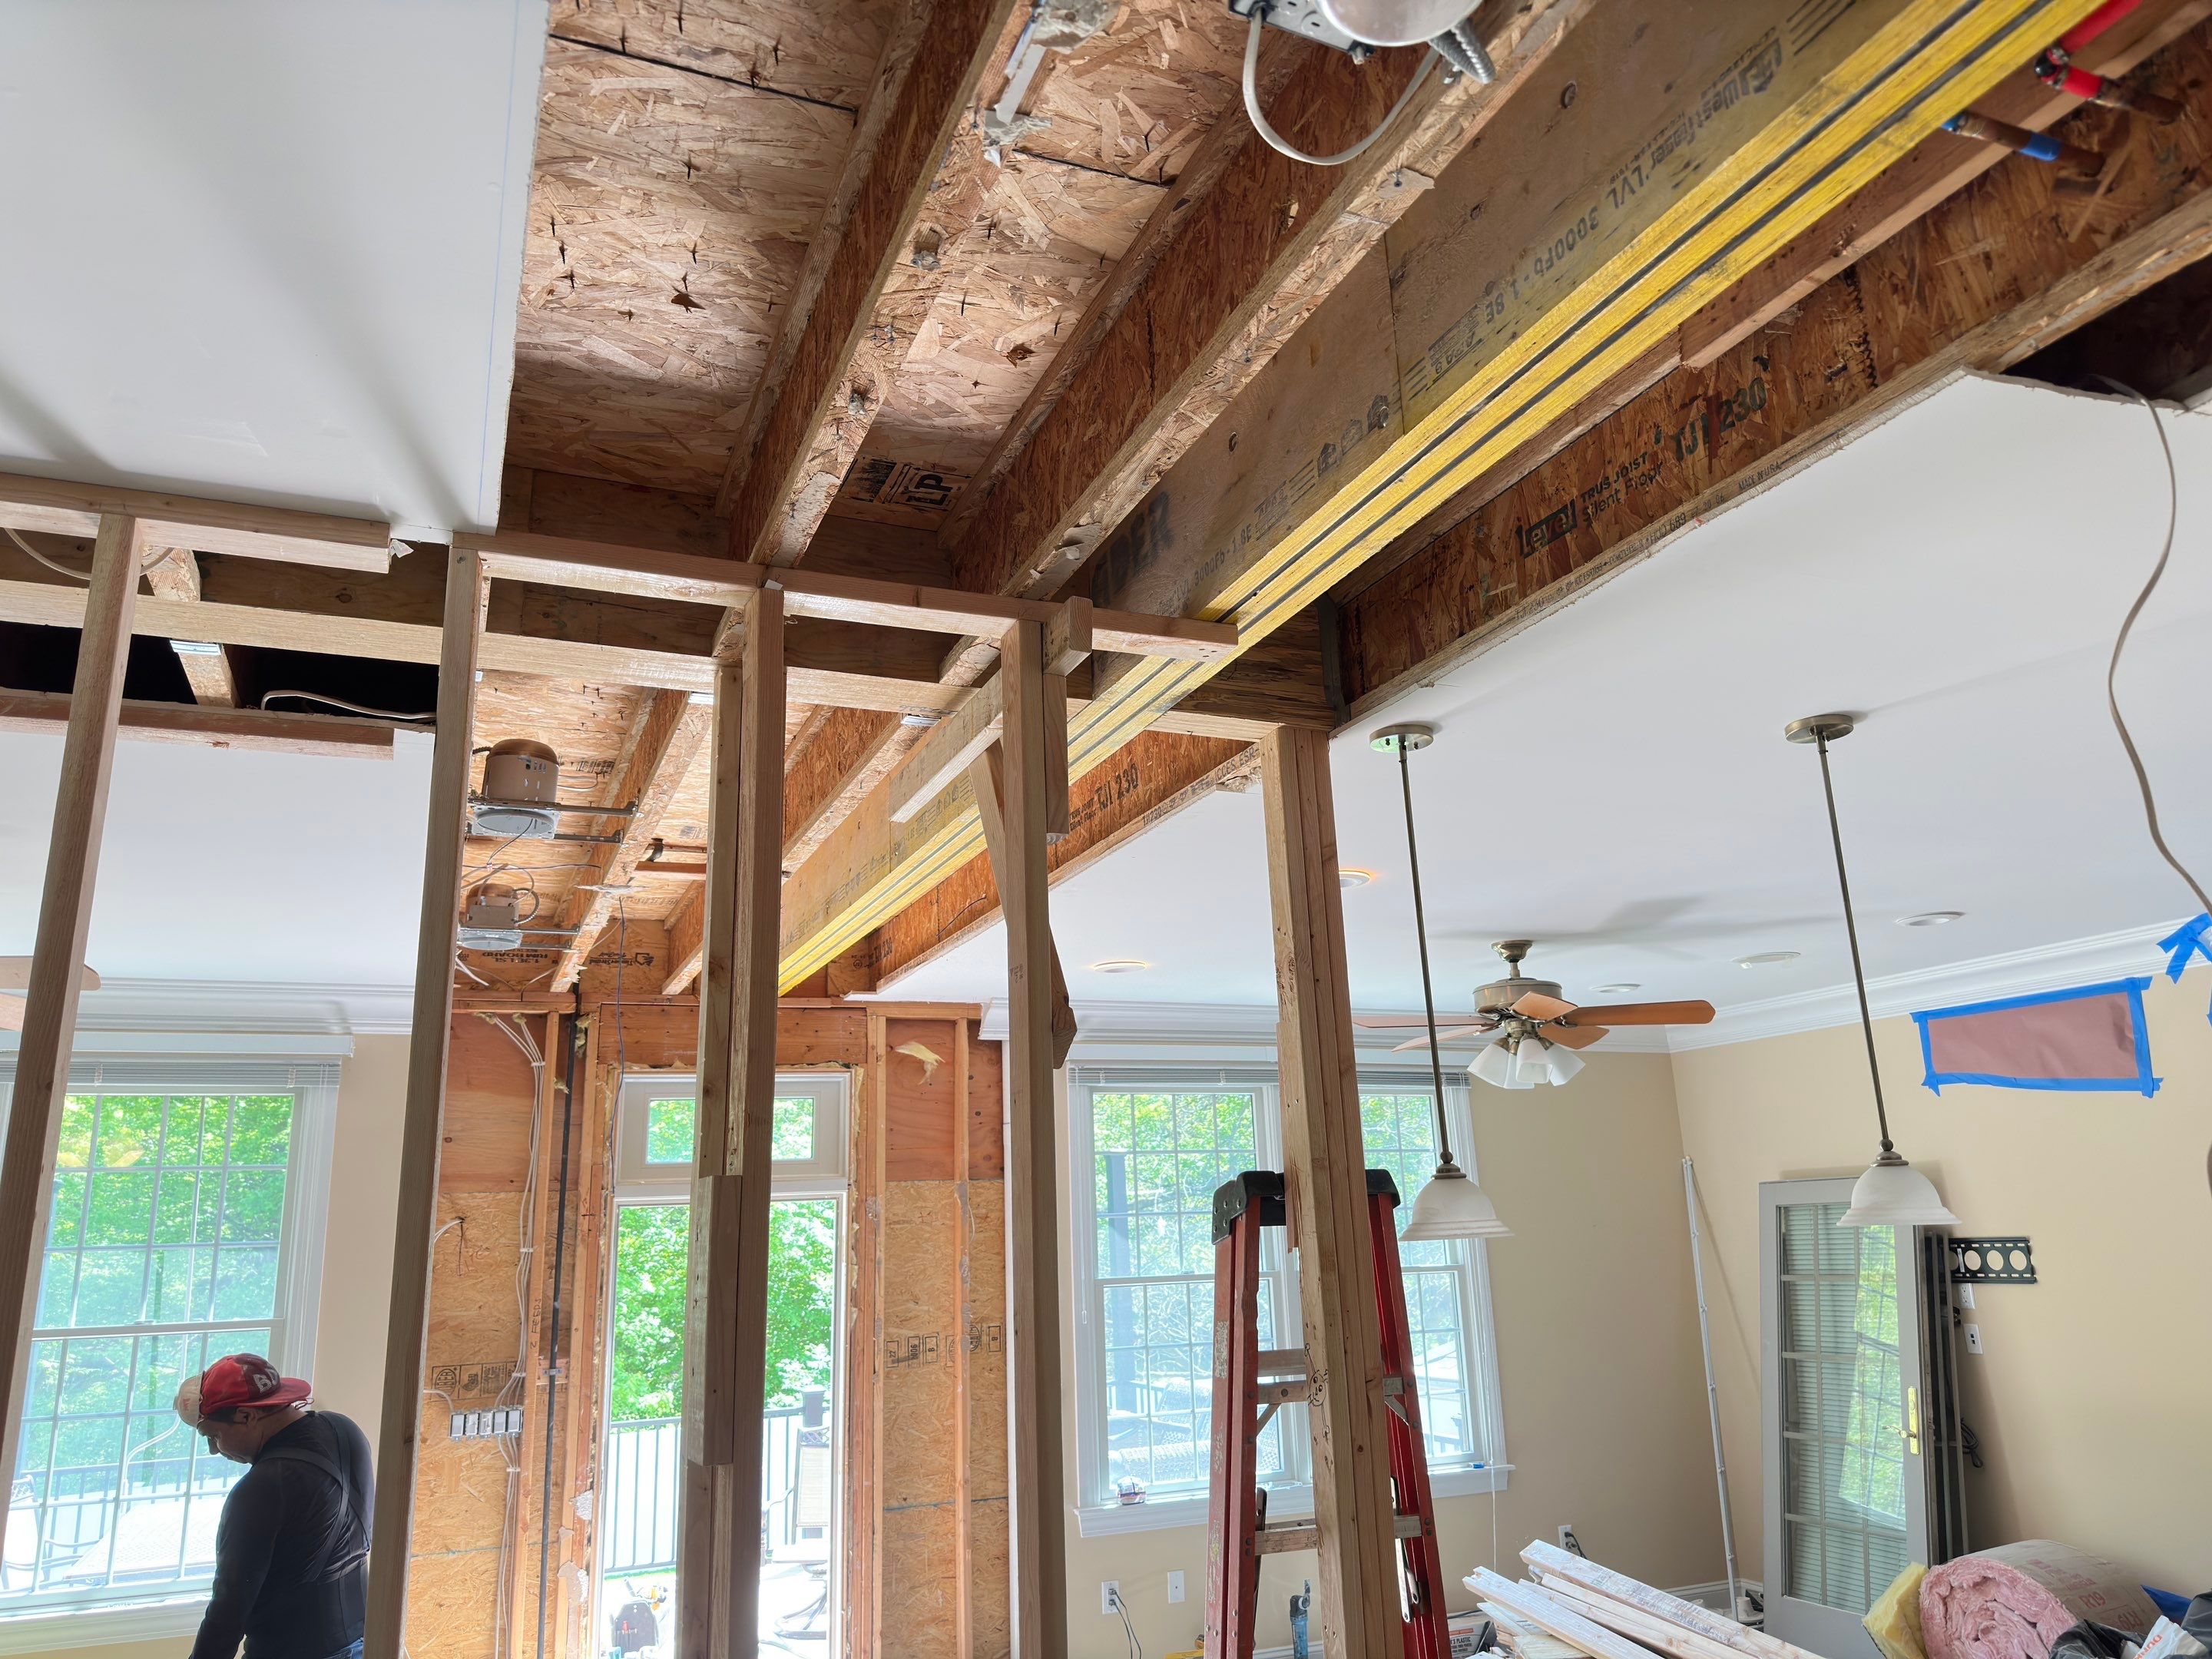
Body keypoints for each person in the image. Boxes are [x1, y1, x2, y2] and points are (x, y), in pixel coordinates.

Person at [174, 1353, 373, 1659]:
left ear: (247, 1416)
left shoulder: (260, 1489)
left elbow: (228, 1612)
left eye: (213, 1436)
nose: (214, 1450)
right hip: (365, 1640)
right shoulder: (344, 1430)